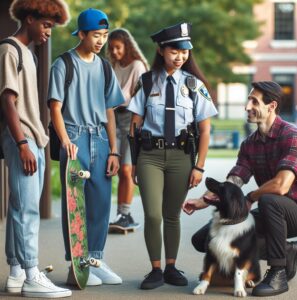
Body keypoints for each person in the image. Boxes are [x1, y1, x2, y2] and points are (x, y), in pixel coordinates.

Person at [183, 81, 297, 297]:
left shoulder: (292, 135)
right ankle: (287, 251)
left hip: (294, 211)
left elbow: (281, 185)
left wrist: (251, 197)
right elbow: (234, 181)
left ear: (271, 106)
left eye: (254, 101)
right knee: (205, 239)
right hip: (272, 211)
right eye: (248, 100)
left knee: (269, 200)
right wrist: (203, 200)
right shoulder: (250, 144)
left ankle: (278, 272)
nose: (247, 106)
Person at [127, 22, 218, 290]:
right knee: (153, 215)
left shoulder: (194, 85)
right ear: (161, 49)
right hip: (149, 157)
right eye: (174, 51)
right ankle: (155, 269)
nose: (180, 57)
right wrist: (133, 162)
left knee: (172, 215)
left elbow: (204, 130)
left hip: (181, 157)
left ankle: (170, 266)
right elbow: (134, 125)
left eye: (184, 52)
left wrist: (199, 167)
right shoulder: (146, 81)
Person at [0, 0, 72, 298]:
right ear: (29, 19)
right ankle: (32, 274)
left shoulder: (28, 53)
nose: (48, 32)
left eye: (51, 28)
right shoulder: (9, 50)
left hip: (34, 139)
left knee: (19, 207)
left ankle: (17, 271)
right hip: (23, 140)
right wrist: (22, 144)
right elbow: (7, 100)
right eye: (45, 25)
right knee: (28, 209)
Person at [47, 8, 124, 286]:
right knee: (75, 205)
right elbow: (55, 107)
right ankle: (77, 266)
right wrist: (66, 141)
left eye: (104, 35)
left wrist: (114, 149)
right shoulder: (63, 64)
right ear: (81, 34)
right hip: (74, 137)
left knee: (101, 204)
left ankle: (95, 260)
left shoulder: (104, 66)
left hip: (101, 139)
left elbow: (110, 110)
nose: (101, 41)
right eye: (96, 35)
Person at [106, 28, 148, 231]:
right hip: (112, 119)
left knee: (126, 169)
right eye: (111, 48)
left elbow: (142, 97)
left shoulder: (137, 66)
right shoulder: (113, 66)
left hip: (132, 120)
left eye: (118, 47)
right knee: (112, 169)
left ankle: (125, 213)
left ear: (127, 47)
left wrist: (118, 101)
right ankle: (119, 214)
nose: (114, 52)